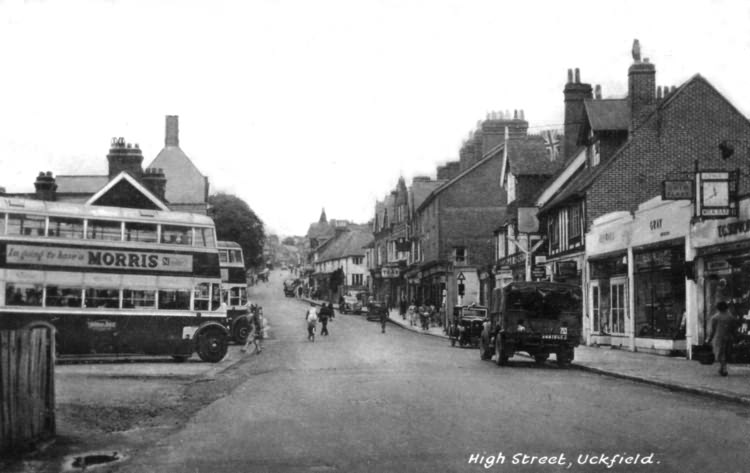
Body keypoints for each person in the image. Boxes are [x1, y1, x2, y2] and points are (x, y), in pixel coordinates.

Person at [706, 301, 738, 376]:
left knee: (720, 353)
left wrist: (709, 339)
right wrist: (735, 337)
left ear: (718, 308)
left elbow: (713, 330)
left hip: (719, 337)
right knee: (725, 353)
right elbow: (733, 329)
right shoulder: (731, 317)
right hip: (729, 337)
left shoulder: (715, 317)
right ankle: (721, 368)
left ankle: (724, 369)